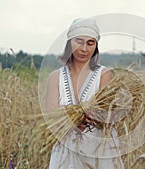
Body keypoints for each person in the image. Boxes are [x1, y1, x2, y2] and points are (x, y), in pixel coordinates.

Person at [44, 18, 124, 169]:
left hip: (98, 150)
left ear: (96, 45)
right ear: (69, 43)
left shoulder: (104, 74)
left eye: (90, 43)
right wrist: (71, 120)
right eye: (79, 41)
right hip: (65, 151)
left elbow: (109, 115)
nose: (84, 49)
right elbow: (49, 116)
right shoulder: (55, 77)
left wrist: (94, 118)